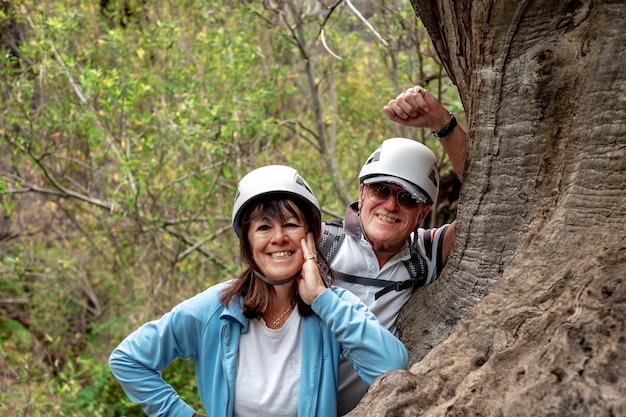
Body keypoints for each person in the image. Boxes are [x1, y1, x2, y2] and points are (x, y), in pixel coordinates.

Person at [108, 164, 408, 417]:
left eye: (290, 225)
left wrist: (322, 300)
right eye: (264, 228)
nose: (278, 238)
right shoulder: (215, 310)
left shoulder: (333, 306)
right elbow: (128, 360)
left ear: (311, 235)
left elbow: (390, 367)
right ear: (248, 243)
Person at [329, 86, 467, 415]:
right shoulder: (320, 243)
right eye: (381, 189)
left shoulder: (425, 253)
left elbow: (495, 199)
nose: (391, 204)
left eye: (407, 198)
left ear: (422, 212)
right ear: (362, 192)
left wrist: (441, 122)